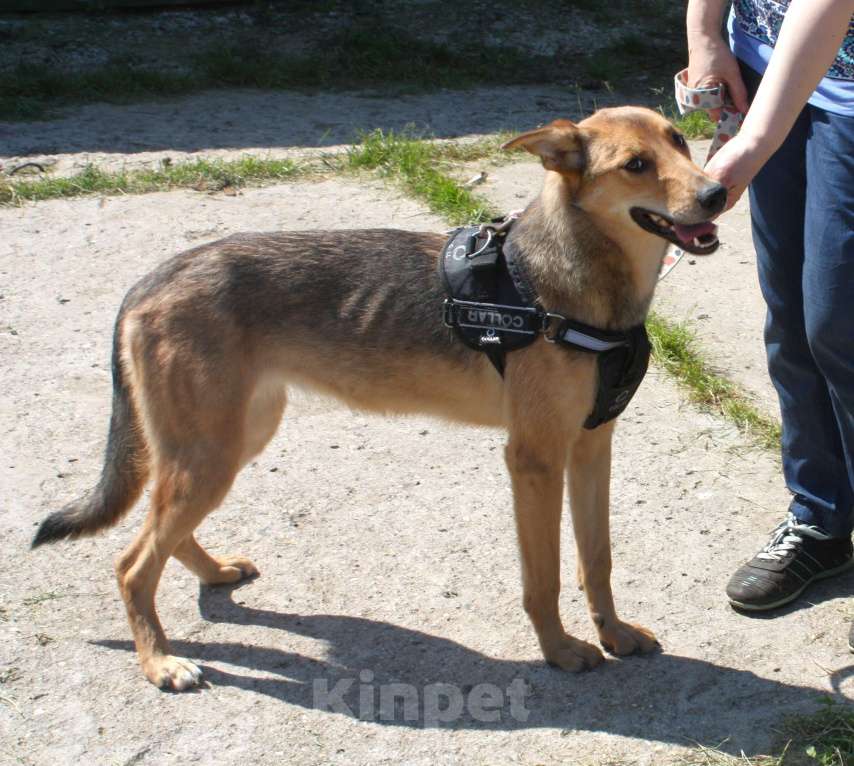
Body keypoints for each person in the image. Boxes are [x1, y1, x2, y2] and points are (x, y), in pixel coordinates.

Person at [685, 0, 854, 636]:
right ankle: (820, 518)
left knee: (840, 322)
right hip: (764, 65)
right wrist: (706, 31)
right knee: (791, 314)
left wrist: (755, 140)